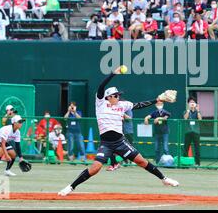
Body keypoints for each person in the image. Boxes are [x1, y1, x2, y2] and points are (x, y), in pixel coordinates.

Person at [57, 66, 179, 196]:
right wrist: (113, 73)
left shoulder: (122, 105)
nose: (118, 97)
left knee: (141, 161)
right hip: (106, 144)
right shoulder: (100, 103)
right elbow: (100, 87)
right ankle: (71, 187)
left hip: (120, 142)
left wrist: (157, 100)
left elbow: (139, 105)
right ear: (109, 97)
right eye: (116, 95)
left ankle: (164, 179)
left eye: (118, 95)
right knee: (95, 168)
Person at [183, 97, 202, 166]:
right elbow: (185, 118)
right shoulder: (186, 111)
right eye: (191, 102)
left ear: (196, 104)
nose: (192, 103)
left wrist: (198, 110)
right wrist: (188, 110)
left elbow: (200, 119)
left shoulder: (197, 112)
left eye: (193, 102)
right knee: (186, 147)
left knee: (197, 148)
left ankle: (197, 163)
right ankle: (185, 164)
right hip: (188, 132)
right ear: (188, 104)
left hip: (196, 132)